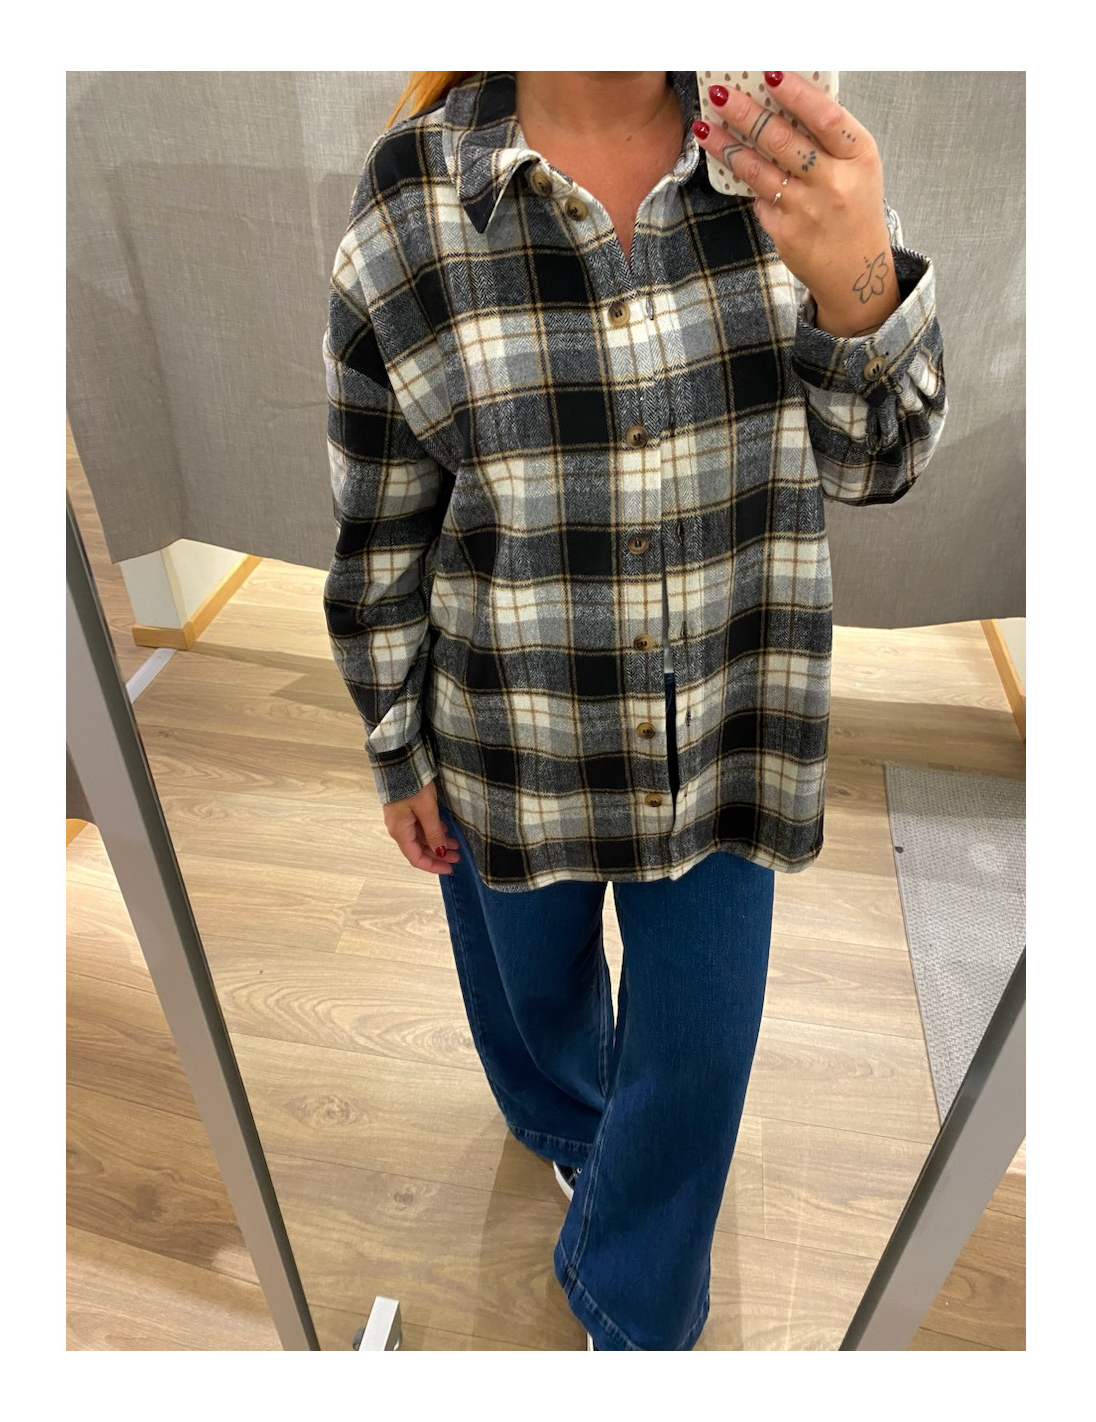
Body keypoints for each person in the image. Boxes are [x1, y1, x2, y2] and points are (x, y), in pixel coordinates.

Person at [322, 70, 946, 1351]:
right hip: (510, 735)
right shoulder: (414, 198)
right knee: (532, 988)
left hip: (728, 736)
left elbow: (877, 463)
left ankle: (636, 1306)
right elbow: (382, 522)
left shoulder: (777, 156)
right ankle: (563, 1122)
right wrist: (396, 745)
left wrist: (857, 281)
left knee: (700, 1048)